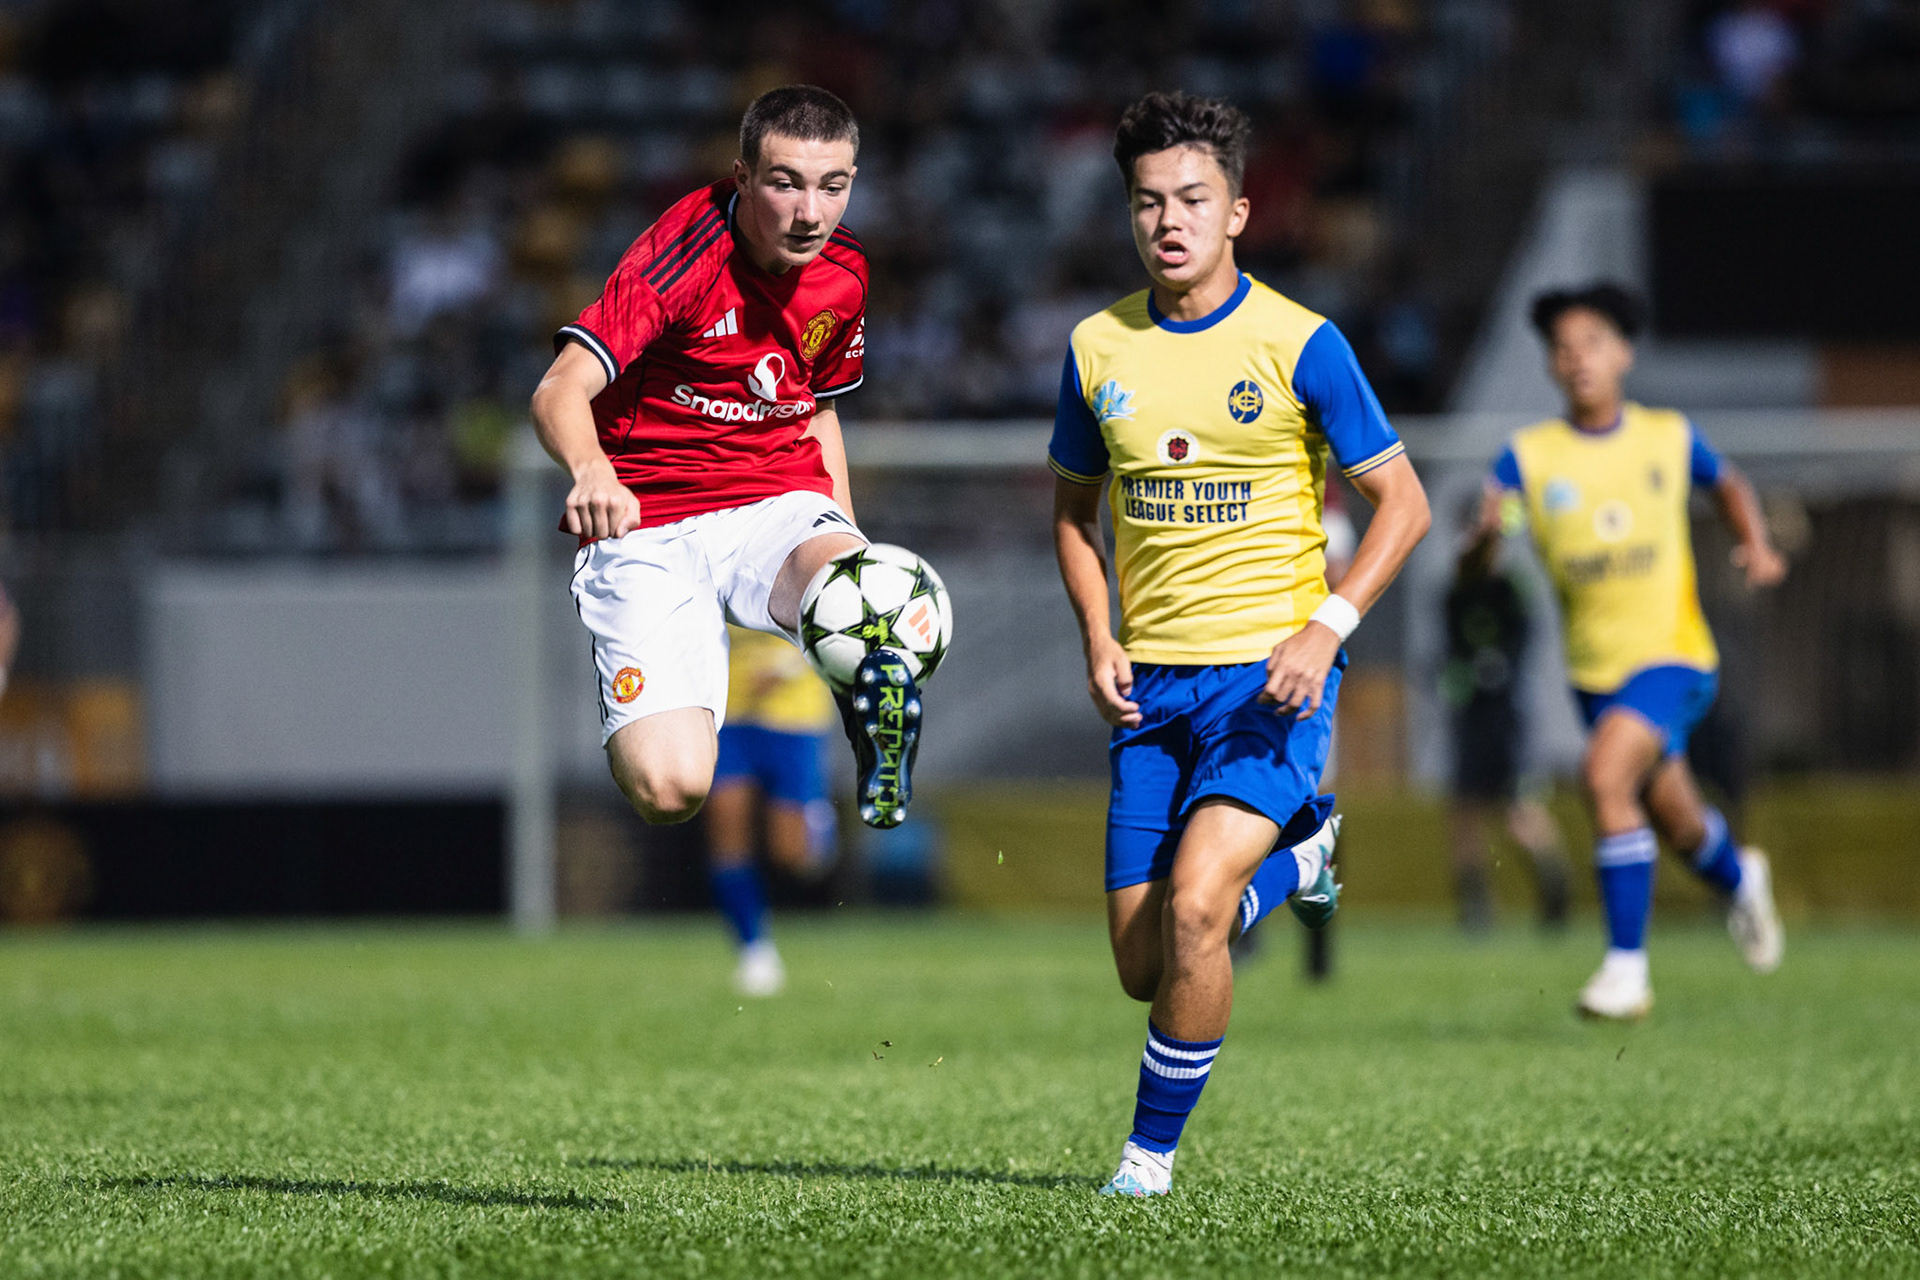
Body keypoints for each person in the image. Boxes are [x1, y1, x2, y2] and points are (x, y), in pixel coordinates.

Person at [1049, 91, 1430, 1198]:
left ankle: (1144, 1162)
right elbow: (1074, 517)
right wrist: (1096, 629)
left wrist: (1328, 623)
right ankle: (1304, 862)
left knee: (1199, 906)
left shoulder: (1303, 342)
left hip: (1270, 681)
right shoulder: (1092, 346)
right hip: (1150, 689)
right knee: (1142, 962)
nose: (1170, 220)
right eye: (1148, 202)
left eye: (1193, 200)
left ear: (1240, 212)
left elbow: (1401, 503)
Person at [529, 85, 923, 838]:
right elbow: (558, 391)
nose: (810, 212)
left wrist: (848, 539)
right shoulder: (678, 259)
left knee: (872, 598)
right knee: (672, 788)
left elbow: (819, 409)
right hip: (648, 520)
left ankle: (873, 709)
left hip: (772, 500)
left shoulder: (844, 271)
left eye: (832, 186)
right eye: (785, 183)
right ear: (742, 177)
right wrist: (590, 470)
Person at [1471, 281, 1787, 1021]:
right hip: (1596, 678)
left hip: (1675, 658)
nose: (1577, 359)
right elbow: (1487, 547)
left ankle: (1626, 969)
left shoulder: (1668, 439)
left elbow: (1728, 483)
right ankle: (1741, 877)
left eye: (1591, 344)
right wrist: (1485, 538)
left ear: (1624, 354)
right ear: (1550, 365)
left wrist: (1756, 543)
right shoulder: (1528, 459)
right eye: (1562, 348)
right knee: (1677, 824)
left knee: (1603, 775)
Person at [1441, 506, 1570, 932]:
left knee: (1520, 813)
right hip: (1470, 718)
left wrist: (1496, 668)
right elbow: (1448, 653)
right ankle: (1476, 909)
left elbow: (1523, 645)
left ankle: (1556, 896)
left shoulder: (1512, 589)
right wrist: (1459, 675)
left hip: (1508, 718)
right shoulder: (1454, 592)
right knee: (1466, 812)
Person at [706, 625, 839, 997]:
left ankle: (819, 822)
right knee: (725, 824)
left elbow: (837, 625)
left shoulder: (809, 564)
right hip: (729, 713)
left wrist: (787, 666)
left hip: (794, 714)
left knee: (793, 854)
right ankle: (754, 949)